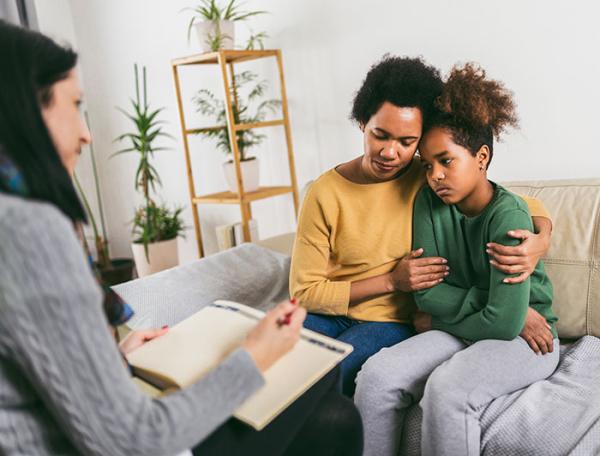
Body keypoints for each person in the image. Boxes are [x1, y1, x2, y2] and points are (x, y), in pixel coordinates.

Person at [0, 21, 362, 456]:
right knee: (321, 379)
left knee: (334, 420)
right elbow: (132, 440)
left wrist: (114, 357)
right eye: (75, 105)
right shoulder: (27, 230)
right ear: (25, 109)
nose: (85, 133)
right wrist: (254, 357)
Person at [290, 55, 555, 396]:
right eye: (380, 135)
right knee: (279, 367)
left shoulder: (427, 175)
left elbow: (504, 199)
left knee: (328, 377)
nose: (390, 153)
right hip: (330, 311)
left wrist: (542, 237)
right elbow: (304, 292)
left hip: (391, 321)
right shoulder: (325, 193)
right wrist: (390, 280)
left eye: (406, 142)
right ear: (362, 124)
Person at [354, 63, 559, 456]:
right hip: (478, 324)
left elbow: (504, 323)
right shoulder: (429, 204)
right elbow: (428, 296)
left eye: (446, 161)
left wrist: (440, 318)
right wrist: (455, 311)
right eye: (427, 165)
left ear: (481, 158)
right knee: (378, 377)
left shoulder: (510, 218)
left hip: (528, 338)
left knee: (448, 389)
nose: (435, 175)